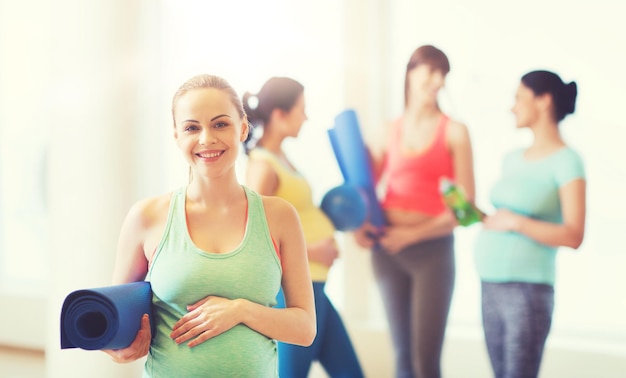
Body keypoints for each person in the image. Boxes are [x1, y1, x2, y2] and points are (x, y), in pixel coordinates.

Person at [101, 74, 317, 377]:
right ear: (176, 136)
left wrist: (239, 310)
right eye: (192, 127)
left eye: (220, 124)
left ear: (242, 128)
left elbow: (305, 329)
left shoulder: (280, 216)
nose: (206, 139)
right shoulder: (145, 218)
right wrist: (121, 349)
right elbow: (113, 324)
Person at [353, 45, 477, 378]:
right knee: (402, 359)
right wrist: (358, 228)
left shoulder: (454, 131)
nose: (438, 80)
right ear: (411, 72)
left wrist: (412, 234)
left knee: (426, 363)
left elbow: (464, 212)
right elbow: (362, 195)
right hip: (388, 251)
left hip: (431, 253)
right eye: (431, 71)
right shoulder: (385, 131)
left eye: (443, 74)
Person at [243, 77, 364, 378]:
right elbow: (254, 238)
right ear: (279, 115)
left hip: (314, 286)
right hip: (293, 291)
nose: (306, 118)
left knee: (351, 372)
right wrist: (314, 250)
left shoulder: (281, 158)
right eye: (301, 110)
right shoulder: (262, 167)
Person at [474, 70, 585, 378]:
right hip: (490, 284)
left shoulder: (567, 161)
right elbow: (503, 220)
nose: (512, 107)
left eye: (518, 98)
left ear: (543, 101)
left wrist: (516, 222)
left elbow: (574, 234)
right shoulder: (511, 158)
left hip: (527, 291)